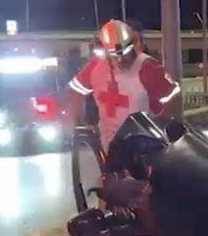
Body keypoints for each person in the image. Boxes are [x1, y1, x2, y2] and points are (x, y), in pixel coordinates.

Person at [64, 19, 181, 152]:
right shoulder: (96, 66)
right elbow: (74, 90)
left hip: (146, 147)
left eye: (125, 54)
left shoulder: (148, 67)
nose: (120, 60)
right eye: (114, 56)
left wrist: (163, 130)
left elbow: (173, 97)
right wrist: (77, 123)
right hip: (108, 144)